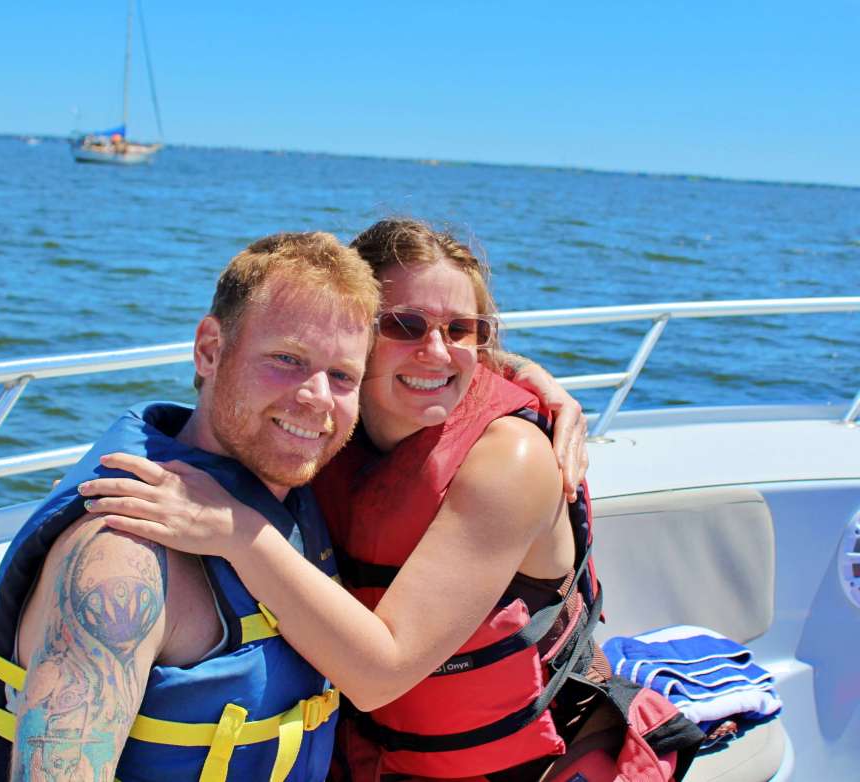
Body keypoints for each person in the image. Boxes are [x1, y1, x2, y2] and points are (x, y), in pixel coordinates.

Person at [87, 219, 703, 781]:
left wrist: (234, 530)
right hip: (374, 758)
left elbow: (380, 673)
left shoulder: (509, 461)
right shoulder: (322, 428)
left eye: (462, 330)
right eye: (404, 325)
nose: (436, 351)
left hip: (531, 764)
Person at [0, 232, 381, 781]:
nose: (317, 396)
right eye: (288, 359)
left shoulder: (290, 490)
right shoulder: (121, 556)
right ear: (210, 350)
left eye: (342, 376)